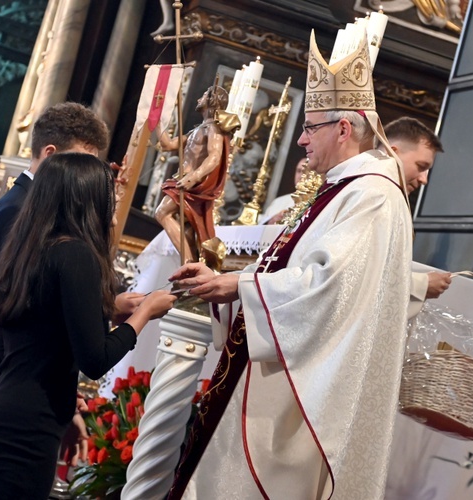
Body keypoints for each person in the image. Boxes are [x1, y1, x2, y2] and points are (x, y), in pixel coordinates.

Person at [165, 30, 413, 499]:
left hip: (300, 398)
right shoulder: (343, 187)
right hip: (268, 373)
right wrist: (227, 282)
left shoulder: (373, 198)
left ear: (344, 128)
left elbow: (328, 289)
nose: (300, 140)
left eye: (310, 127)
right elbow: (283, 268)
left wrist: (237, 286)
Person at [0, 103, 145, 500]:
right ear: (52, 156)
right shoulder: (23, 211)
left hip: (4, 390)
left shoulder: (28, 208)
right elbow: (17, 309)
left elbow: (36, 302)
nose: (87, 179)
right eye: (83, 163)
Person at [0, 152, 177, 499]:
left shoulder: (30, 248)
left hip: (7, 417)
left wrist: (63, 406)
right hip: (24, 431)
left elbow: (38, 339)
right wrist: (145, 312)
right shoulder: (77, 254)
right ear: (88, 198)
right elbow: (95, 360)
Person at [154, 84, 239, 266]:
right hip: (182, 181)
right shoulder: (197, 130)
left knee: (162, 213)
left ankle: (188, 261)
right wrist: (157, 116)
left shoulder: (213, 129)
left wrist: (193, 177)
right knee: (187, 231)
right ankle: (191, 265)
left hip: (191, 184)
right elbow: (168, 145)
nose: (199, 98)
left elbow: (214, 157)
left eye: (204, 94)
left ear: (211, 100)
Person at [380, 116, 452, 316]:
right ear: (392, 153)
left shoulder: (390, 196)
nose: (424, 179)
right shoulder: (376, 197)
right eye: (421, 166)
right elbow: (356, 274)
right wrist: (421, 284)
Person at [259, 157, 310, 224]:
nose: (301, 176)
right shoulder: (278, 202)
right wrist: (271, 221)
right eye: (299, 171)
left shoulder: (316, 202)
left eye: (305, 172)